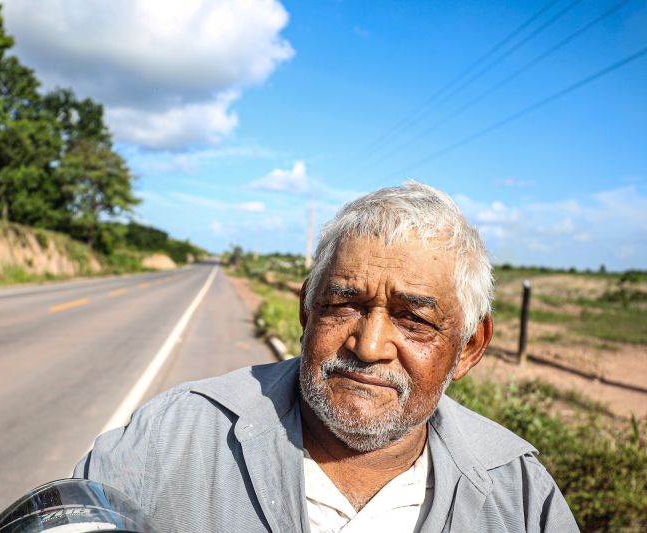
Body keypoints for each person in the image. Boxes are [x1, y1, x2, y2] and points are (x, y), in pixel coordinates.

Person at [75, 181, 579, 532]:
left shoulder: (518, 495)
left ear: (468, 348)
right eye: (344, 306)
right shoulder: (169, 439)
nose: (369, 345)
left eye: (413, 320)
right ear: (306, 311)